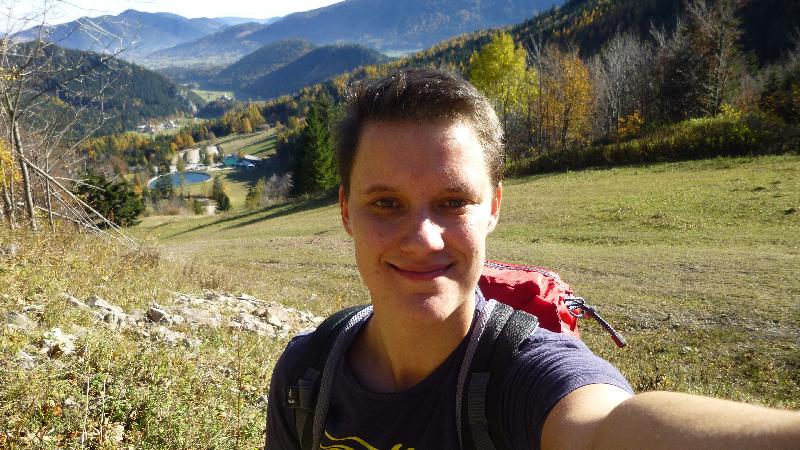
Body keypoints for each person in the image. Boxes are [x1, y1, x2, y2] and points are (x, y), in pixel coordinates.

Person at [265, 68, 800, 449]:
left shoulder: (523, 375)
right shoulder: (308, 373)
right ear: (345, 210)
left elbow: (606, 427)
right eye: (386, 203)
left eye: (453, 202)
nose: (423, 238)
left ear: (493, 206)